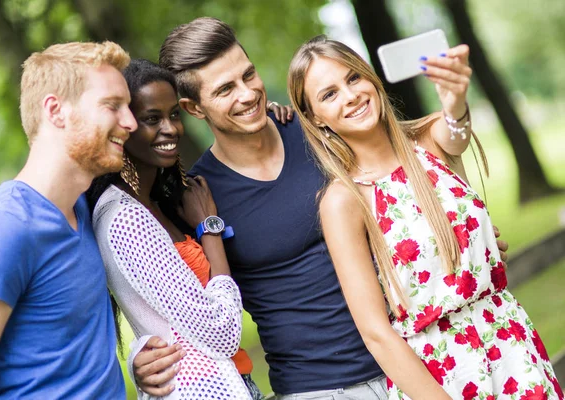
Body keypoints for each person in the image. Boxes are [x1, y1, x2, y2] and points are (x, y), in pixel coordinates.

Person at [133, 17, 510, 399]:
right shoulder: (197, 199)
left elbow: (414, 161)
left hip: (420, 359)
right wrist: (141, 358)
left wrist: (465, 236)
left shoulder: (322, 133)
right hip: (317, 388)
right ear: (193, 108)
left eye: (249, 75)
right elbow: (186, 306)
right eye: (226, 89)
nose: (247, 94)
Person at [286, 35, 563, 399]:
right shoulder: (343, 200)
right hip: (442, 373)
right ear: (316, 119)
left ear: (371, 78)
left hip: (510, 341)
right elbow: (375, 334)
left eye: (353, 78)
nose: (350, 95)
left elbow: (456, 133)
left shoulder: (429, 140)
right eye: (329, 94)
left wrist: (455, 101)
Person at [88, 59, 290, 400]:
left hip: (233, 384)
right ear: (123, 125)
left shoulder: (160, 203)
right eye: (152, 119)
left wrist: (270, 117)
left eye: (173, 115)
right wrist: (210, 231)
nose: (170, 129)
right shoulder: (125, 218)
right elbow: (221, 332)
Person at [0, 41, 137, 399]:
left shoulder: (83, 210)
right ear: (56, 111)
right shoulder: (7, 227)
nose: (130, 122)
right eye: (112, 106)